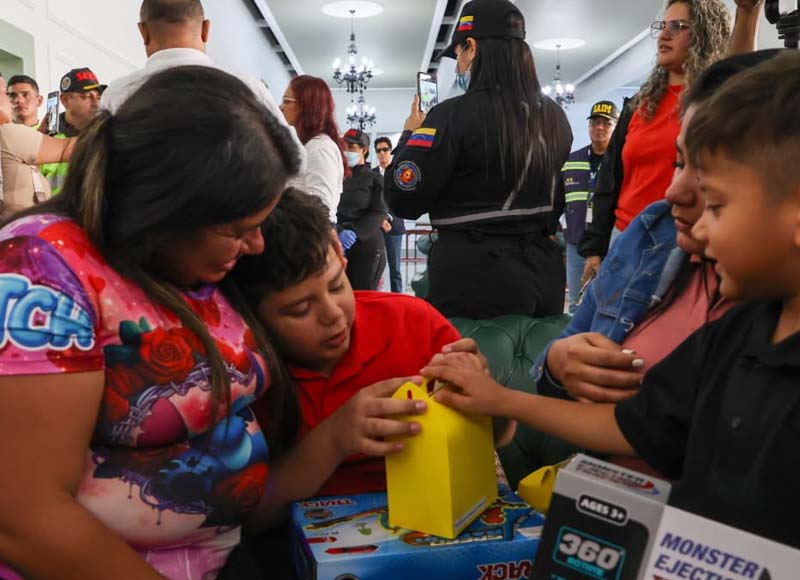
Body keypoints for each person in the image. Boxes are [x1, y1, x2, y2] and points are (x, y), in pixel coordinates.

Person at [423, 50, 800, 548]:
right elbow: (640, 426)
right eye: (677, 163)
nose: (685, 205)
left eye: (718, 202)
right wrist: (505, 396)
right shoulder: (734, 332)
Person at [0, 65, 303, 580]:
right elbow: (24, 516)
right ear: (164, 211)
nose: (256, 246)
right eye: (238, 229)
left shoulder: (186, 258)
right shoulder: (40, 266)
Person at [384, 0, 572, 319]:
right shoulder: (556, 115)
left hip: (474, 278)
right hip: (546, 272)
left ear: (471, 47)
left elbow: (404, 199)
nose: (458, 65)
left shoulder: (452, 115)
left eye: (458, 54)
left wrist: (408, 136)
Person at [578, 0, 760, 285]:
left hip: (678, 241)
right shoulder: (638, 105)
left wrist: (748, 13)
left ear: (703, 33)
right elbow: (609, 181)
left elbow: (738, 81)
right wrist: (594, 251)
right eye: (662, 27)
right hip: (624, 239)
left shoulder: (708, 101)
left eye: (677, 27)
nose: (664, 35)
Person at [100, 0, 303, 164]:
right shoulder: (248, 89)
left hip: (141, 213)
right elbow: (296, 161)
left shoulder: (117, 95)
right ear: (206, 29)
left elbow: (99, 168)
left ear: (143, 32)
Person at [562, 100, 618, 313]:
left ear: (615, 127)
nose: (599, 127)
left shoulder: (620, 161)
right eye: (595, 122)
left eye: (606, 123)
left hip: (608, 247)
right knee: (577, 306)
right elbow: (559, 198)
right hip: (576, 244)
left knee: (607, 304)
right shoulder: (572, 160)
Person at [0, 75, 76, 217]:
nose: (16, 101)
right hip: (32, 225)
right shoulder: (8, 133)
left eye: (25, 95)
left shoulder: (52, 137)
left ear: (39, 100)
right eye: (7, 94)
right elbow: (76, 148)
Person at [279, 75, 347, 223]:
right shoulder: (308, 145)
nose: (281, 107)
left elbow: (320, 208)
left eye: (286, 101)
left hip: (310, 235)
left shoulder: (320, 148)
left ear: (306, 106)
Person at [40, 67, 105, 195]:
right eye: (86, 96)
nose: (96, 104)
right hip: (51, 212)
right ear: (65, 100)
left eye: (98, 97)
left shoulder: (106, 134)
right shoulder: (43, 136)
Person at [338, 128, 389, 291]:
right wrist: (338, 232)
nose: (346, 151)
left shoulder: (375, 179)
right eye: (344, 147)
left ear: (364, 150)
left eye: (351, 148)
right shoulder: (337, 176)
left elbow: (379, 212)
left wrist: (356, 234)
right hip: (339, 242)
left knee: (363, 297)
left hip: (367, 245)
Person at [374, 136, 406, 293]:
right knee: (374, 268)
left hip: (395, 226)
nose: (382, 153)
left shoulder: (399, 173)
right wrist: (381, 218)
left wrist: (388, 217)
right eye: (379, 150)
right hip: (375, 227)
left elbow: (401, 199)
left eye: (385, 150)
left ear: (390, 151)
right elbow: (371, 200)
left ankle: (398, 299)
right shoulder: (371, 174)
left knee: (395, 270)